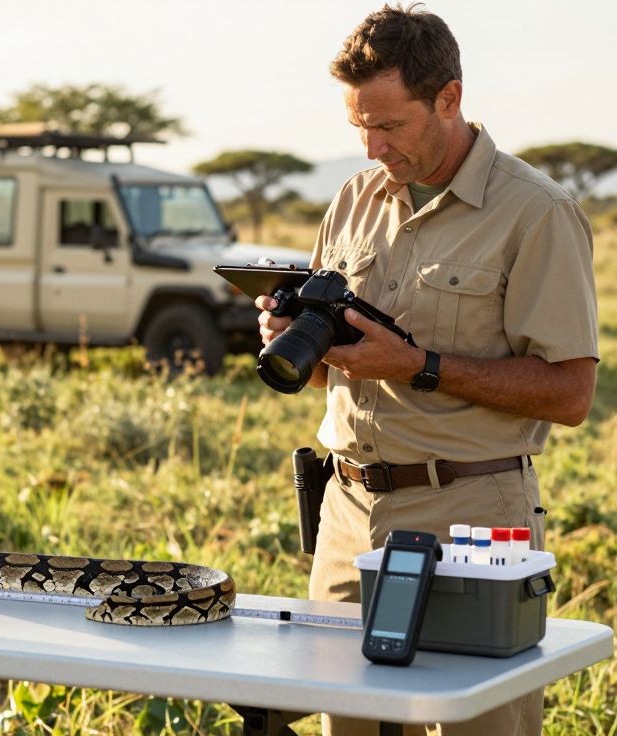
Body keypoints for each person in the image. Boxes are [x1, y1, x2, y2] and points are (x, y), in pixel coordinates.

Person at [255, 5, 598, 735]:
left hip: (472, 518)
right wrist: (296, 337)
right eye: (359, 128)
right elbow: (330, 375)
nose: (374, 146)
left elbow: (571, 393)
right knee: (349, 723)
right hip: (347, 515)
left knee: (479, 725)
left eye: (390, 125)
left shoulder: (535, 212)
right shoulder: (352, 199)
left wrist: (421, 366)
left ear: (450, 98)